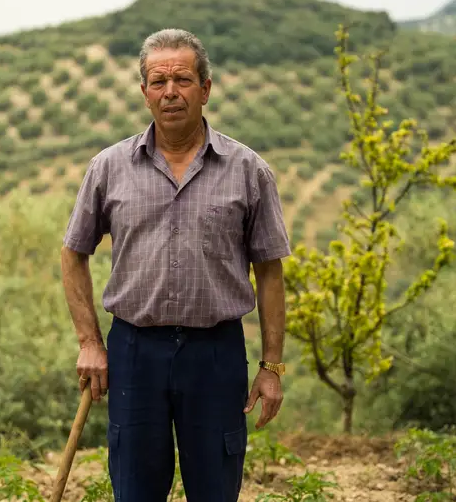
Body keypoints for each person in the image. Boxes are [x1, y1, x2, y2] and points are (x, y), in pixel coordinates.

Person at [60, 28, 291, 502]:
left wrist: (272, 366)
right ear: (144, 92)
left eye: (183, 80)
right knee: (136, 490)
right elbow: (73, 253)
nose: (171, 92)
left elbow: (269, 271)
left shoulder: (249, 170)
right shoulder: (108, 167)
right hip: (134, 353)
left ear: (206, 89)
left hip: (216, 355)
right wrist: (89, 341)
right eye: (158, 82)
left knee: (215, 489)